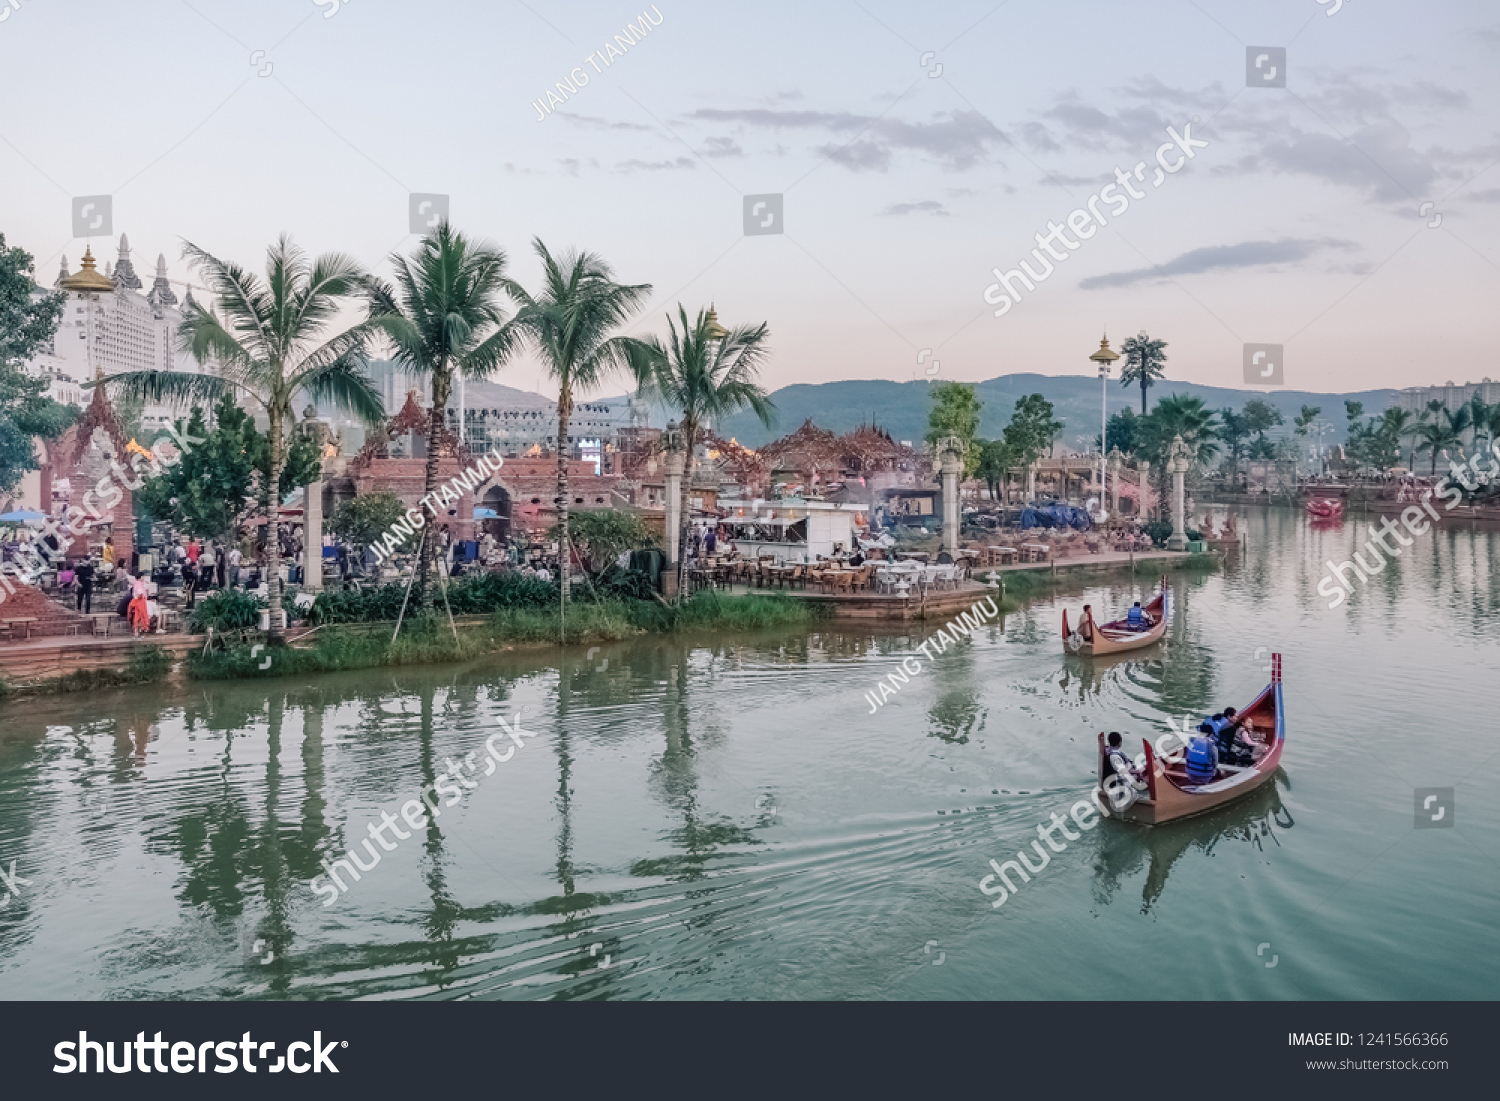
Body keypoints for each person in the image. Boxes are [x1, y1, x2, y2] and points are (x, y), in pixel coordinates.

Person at [127, 573, 151, 638]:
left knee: (141, 617)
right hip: (138, 602)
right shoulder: (138, 584)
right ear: (140, 577)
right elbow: (139, 593)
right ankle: (136, 632)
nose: (144, 578)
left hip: (141, 602)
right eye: (143, 577)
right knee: (138, 617)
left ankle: (139, 632)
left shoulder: (141, 583)